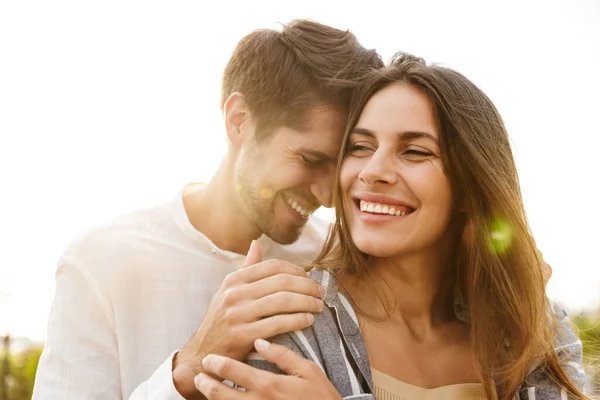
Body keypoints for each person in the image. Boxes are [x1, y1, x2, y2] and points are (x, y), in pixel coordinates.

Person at [193, 54, 588, 400]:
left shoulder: (530, 327)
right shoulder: (289, 328)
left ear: (472, 185)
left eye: (415, 152)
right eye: (360, 147)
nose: (373, 171)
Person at [31, 19, 383, 399]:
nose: (327, 196)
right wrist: (191, 366)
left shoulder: (338, 260)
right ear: (239, 122)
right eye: (310, 158)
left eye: (339, 164)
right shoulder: (101, 260)